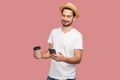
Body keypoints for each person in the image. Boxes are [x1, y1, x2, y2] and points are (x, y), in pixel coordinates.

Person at [34, 2, 83, 80]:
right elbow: (50, 52)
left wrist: (63, 59)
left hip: (68, 77)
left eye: (68, 16)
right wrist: (41, 55)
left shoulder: (77, 35)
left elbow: (78, 58)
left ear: (74, 18)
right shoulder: (54, 32)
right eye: (63, 15)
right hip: (52, 76)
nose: (65, 18)